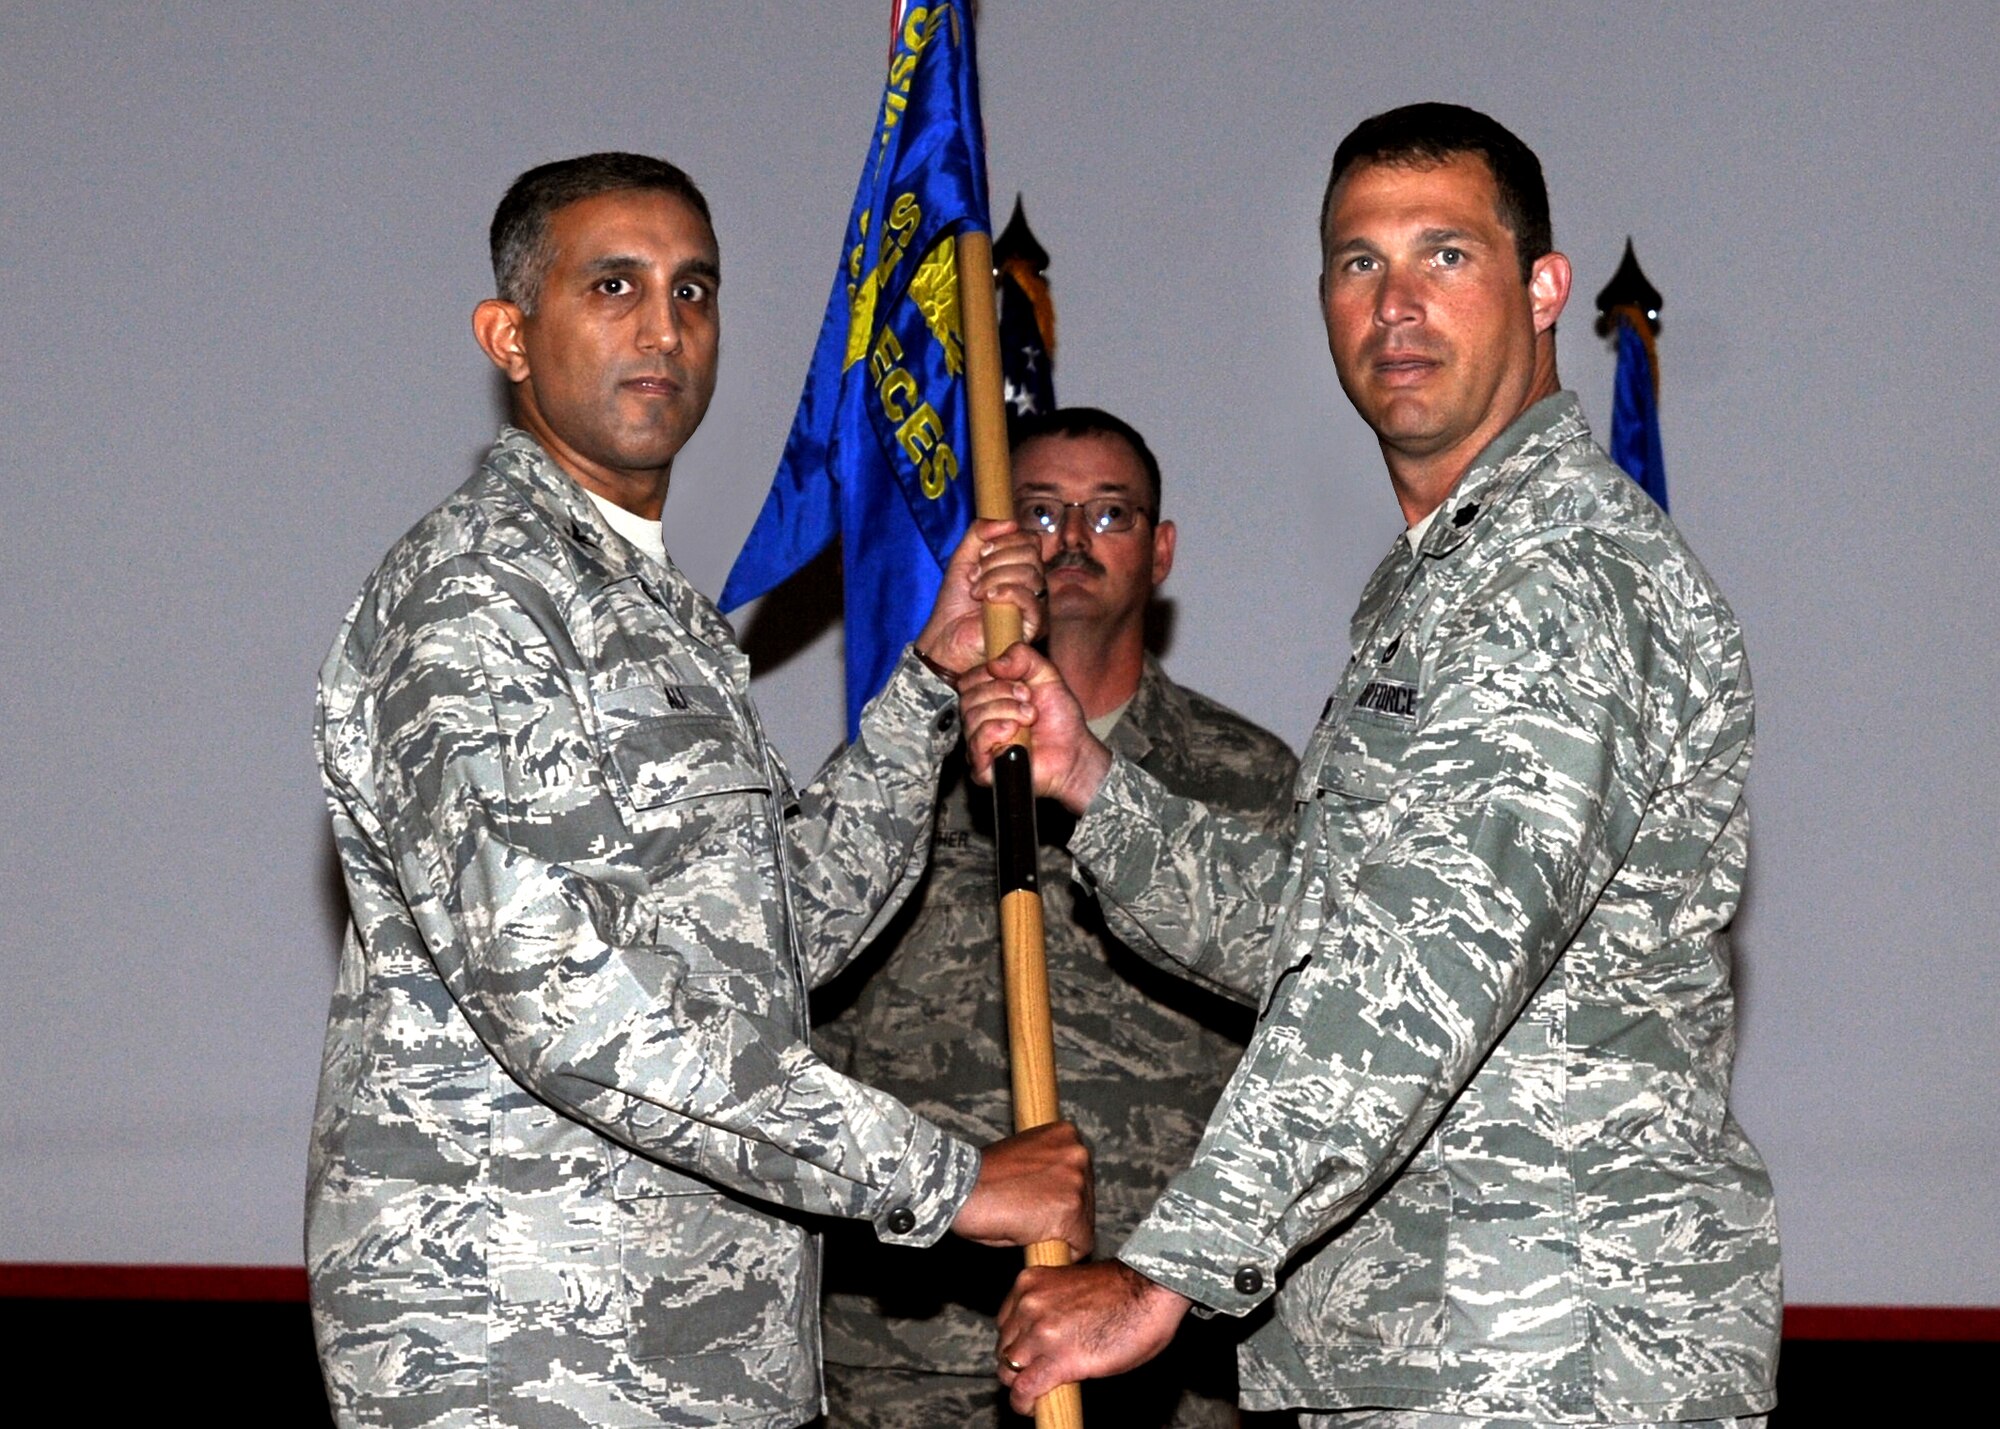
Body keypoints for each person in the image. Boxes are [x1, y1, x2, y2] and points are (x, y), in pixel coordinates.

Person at [965, 104, 1781, 1428]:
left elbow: (1413, 965)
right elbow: (1320, 924)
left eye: (1444, 256)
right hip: (1445, 1350)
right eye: (1359, 264)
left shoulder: (1558, 579)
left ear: (1543, 289)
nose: (1396, 307)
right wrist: (1093, 788)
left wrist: (1165, 1273)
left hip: (1550, 1361)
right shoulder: (1446, 585)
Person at [306, 152, 1093, 1429]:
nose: (661, 327)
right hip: (524, 1348)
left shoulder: (654, 611)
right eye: (611, 285)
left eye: (693, 291)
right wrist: (945, 1181)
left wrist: (925, 690)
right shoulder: (476, 597)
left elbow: (779, 944)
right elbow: (566, 1000)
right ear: (509, 334)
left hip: (705, 1351)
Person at [813, 407, 1300, 1428]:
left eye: (1109, 515)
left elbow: (1308, 1059)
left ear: (1159, 550)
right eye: (1039, 513)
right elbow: (806, 1036)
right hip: (909, 1359)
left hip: (1161, 1357)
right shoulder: (897, 776)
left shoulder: (1248, 782)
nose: (1072, 542)